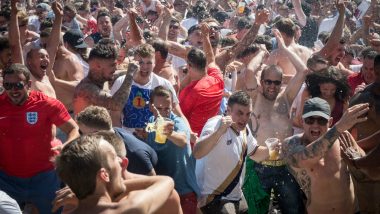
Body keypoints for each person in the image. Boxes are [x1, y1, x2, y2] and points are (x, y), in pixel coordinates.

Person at [0, 63, 79, 213]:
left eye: (18, 85)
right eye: (8, 85)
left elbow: (74, 129)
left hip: (44, 178)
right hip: (7, 179)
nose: (13, 90)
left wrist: (66, 146)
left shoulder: (46, 104)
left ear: (28, 84)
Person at [246, 29, 308, 213]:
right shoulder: (255, 98)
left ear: (281, 83)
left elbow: (303, 70)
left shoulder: (285, 97)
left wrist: (284, 48)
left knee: (293, 210)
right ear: (262, 82)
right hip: (259, 167)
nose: (272, 86)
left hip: (285, 167)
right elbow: (249, 71)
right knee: (255, 211)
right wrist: (261, 54)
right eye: (268, 81)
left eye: (276, 82)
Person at [55, 134, 182, 214]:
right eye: (115, 157)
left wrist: (84, 188)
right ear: (104, 175)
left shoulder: (68, 209)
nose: (121, 161)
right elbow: (166, 181)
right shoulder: (130, 208)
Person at [282, 97, 369, 213]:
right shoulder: (291, 144)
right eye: (310, 120)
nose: (315, 125)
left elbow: (364, 169)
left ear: (330, 122)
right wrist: (339, 127)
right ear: (302, 121)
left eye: (322, 120)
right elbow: (303, 159)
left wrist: (355, 157)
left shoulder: (342, 136)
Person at [193, 90, 274, 213]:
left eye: (248, 114)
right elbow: (197, 152)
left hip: (236, 196)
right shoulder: (216, 123)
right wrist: (219, 131)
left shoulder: (244, 129)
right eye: (240, 113)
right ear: (228, 110)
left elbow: (255, 154)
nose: (244, 118)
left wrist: (271, 149)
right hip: (213, 197)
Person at [144, 86, 199, 214]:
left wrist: (169, 134)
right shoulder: (151, 121)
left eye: (167, 109)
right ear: (151, 107)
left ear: (172, 106)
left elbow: (183, 140)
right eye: (159, 109)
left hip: (184, 192)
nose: (163, 113)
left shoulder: (178, 122)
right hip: (162, 191)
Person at [110, 43, 182, 132]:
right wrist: (120, 136)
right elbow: (114, 113)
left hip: (155, 138)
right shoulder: (121, 82)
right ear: (134, 63)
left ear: (154, 63)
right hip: (128, 136)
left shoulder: (164, 84)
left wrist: (188, 132)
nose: (144, 67)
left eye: (149, 63)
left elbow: (177, 113)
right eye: (140, 62)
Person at [76, 105, 158, 176]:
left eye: (81, 133)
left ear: (96, 134)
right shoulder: (114, 131)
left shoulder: (134, 154)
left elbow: (153, 184)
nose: (80, 138)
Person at [178, 24, 224, 143]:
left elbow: (178, 115)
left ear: (188, 66)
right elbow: (211, 59)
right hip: (212, 139)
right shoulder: (218, 79)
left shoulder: (191, 92)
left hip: (193, 143)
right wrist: (205, 36)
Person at [348, 54, 380, 213]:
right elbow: (344, 131)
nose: (371, 73)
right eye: (366, 69)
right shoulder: (362, 98)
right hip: (365, 174)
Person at [72, 42, 139, 116]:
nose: (115, 68)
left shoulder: (102, 78)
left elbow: (116, 73)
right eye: (112, 65)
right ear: (98, 66)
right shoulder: (86, 89)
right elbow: (116, 105)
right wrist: (130, 74)